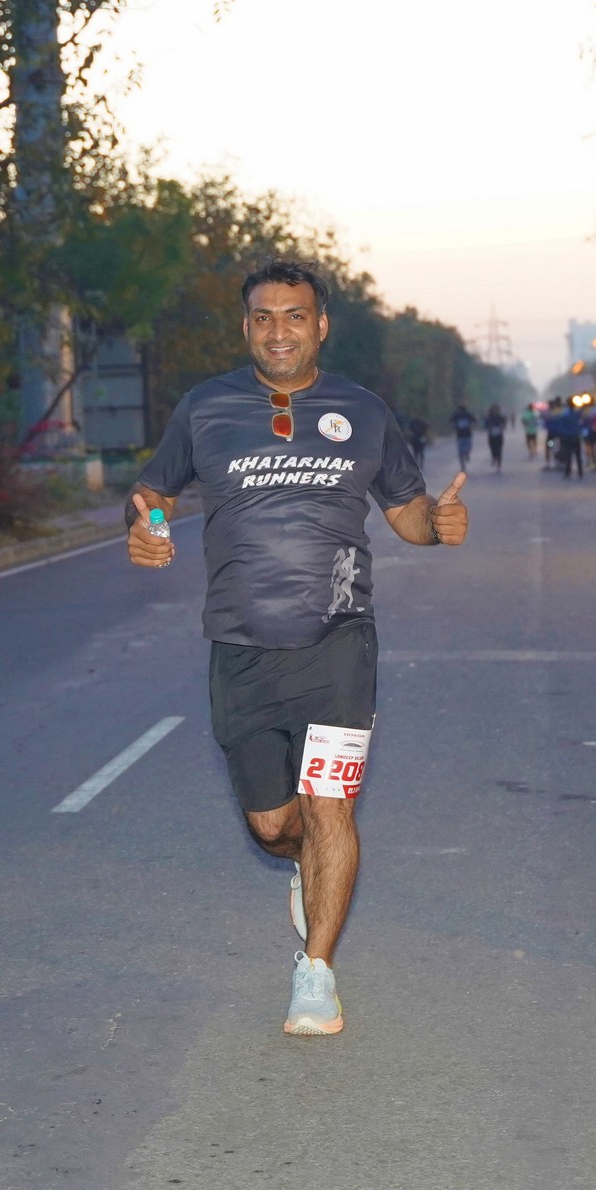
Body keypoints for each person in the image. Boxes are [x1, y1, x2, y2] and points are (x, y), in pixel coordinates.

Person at [128, 259, 469, 1036]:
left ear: (321, 325)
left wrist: (438, 526)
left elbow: (408, 512)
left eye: (294, 315)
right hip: (241, 647)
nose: (278, 331)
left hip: (339, 643)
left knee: (328, 806)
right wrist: (149, 530)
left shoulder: (363, 411)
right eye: (263, 317)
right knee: (275, 827)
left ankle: (316, 971)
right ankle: (303, 870)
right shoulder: (206, 407)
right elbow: (154, 492)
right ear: (246, 326)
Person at [450, 402, 477, 473]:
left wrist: (454, 425)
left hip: (460, 435)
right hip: (467, 434)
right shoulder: (467, 414)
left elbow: (450, 420)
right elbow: (475, 420)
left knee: (460, 451)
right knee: (468, 447)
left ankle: (462, 465)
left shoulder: (457, 414)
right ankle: (466, 455)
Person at [483, 403, 508, 470]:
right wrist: (488, 427)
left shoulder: (501, 417)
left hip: (499, 435)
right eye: (494, 410)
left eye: (497, 410)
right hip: (491, 435)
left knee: (499, 449)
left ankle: (499, 462)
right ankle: (494, 458)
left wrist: (502, 427)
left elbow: (504, 423)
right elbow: (485, 425)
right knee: (492, 448)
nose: (496, 411)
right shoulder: (489, 417)